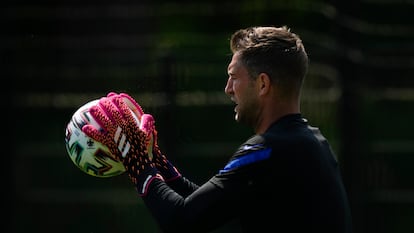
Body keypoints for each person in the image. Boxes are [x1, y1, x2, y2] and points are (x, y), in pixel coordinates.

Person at [82, 25, 353, 233]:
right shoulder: (311, 142)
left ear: (262, 84)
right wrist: (155, 161)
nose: (228, 89)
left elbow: (181, 220)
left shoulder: (264, 152)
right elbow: (205, 206)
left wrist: (136, 161)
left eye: (234, 78)